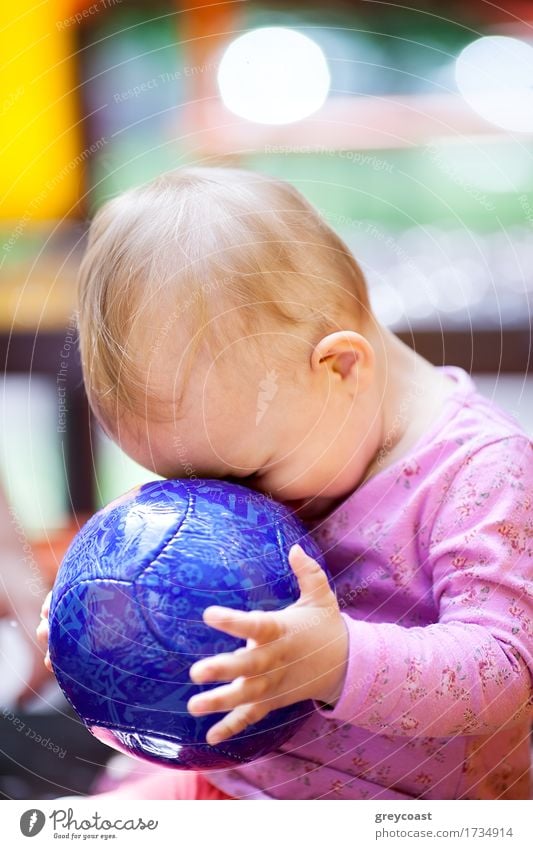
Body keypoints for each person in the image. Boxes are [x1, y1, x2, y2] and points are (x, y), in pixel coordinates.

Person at [38, 167, 533, 800]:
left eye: (243, 476)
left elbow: (507, 668)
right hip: (234, 781)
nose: (227, 506)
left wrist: (338, 663)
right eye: (182, 484)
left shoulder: (480, 474)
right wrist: (105, 624)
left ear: (340, 366)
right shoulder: (264, 425)